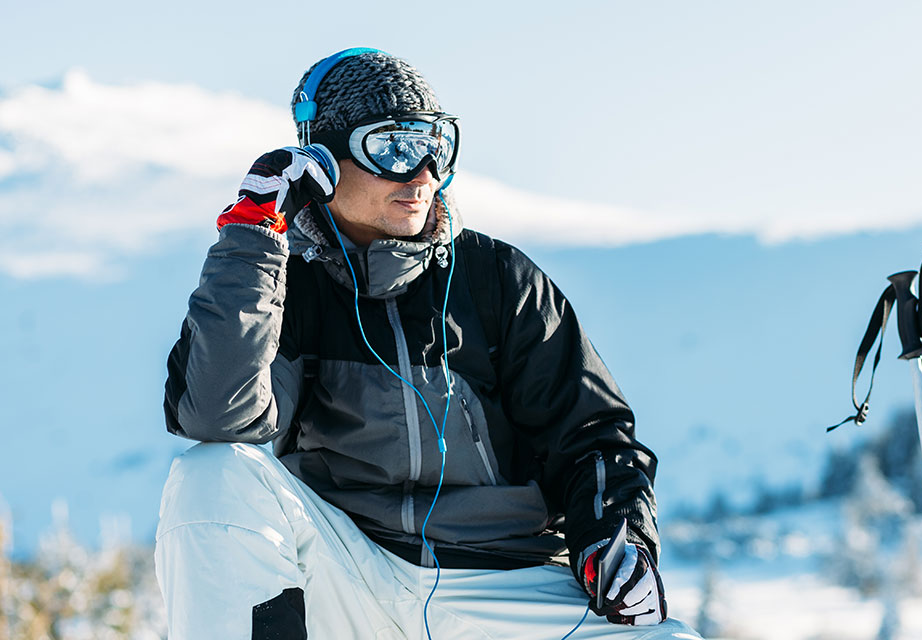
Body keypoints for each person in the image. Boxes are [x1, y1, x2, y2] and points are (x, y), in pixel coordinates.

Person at [157, 48, 701, 640]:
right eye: (392, 148)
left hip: (506, 582)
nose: (422, 175)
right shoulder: (291, 292)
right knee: (208, 473)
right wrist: (254, 231)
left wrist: (614, 536)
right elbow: (216, 415)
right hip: (356, 574)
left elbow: (593, 435)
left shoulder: (496, 279)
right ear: (322, 161)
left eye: (436, 147)